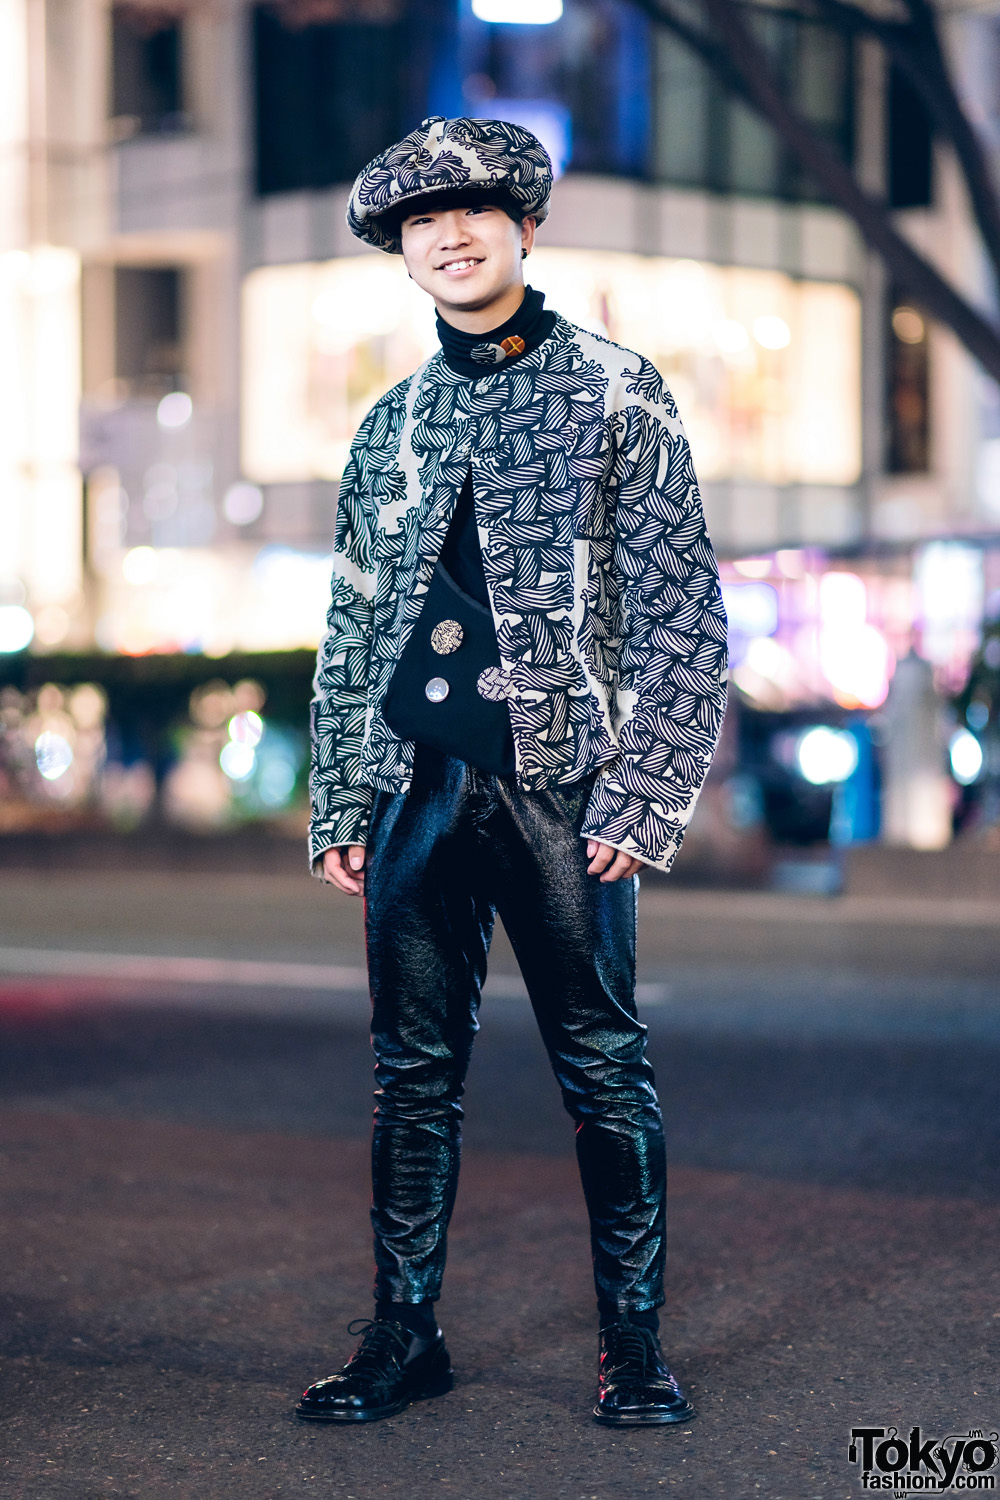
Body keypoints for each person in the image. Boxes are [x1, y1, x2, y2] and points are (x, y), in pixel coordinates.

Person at [297, 116, 727, 1427]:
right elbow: (356, 621)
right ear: (402, 251)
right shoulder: (393, 422)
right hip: (420, 786)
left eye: (476, 213)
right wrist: (340, 797)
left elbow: (683, 611)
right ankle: (403, 1337)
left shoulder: (617, 386)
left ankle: (635, 1348)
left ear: (525, 228)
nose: (452, 236)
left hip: (566, 787)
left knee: (603, 1065)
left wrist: (646, 791)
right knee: (408, 1076)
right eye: (424, 224)